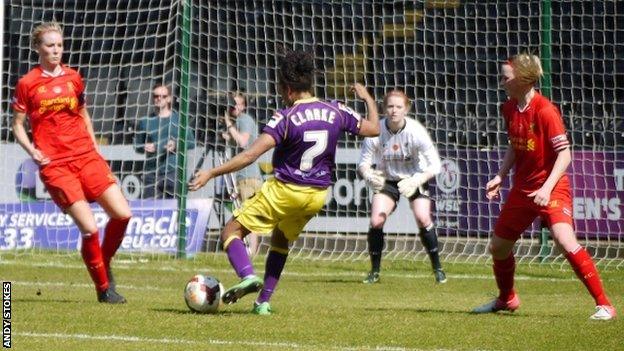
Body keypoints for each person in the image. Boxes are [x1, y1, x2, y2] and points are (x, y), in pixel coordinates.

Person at [189, 49, 380, 315]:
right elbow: (375, 128)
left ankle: (247, 275)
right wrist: (367, 97)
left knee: (230, 231)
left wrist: (211, 172)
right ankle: (263, 302)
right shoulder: (335, 110)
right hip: (317, 196)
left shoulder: (286, 117)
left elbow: (250, 155)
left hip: (286, 190)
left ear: (288, 89)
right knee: (280, 239)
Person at [472, 53, 616, 320]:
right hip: (523, 189)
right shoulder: (509, 108)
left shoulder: (546, 110)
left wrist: (546, 189)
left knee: (564, 240)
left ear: (524, 80)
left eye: (506, 77)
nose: (501, 82)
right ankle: (507, 299)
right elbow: (515, 146)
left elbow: (565, 155)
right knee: (498, 247)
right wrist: (501, 175)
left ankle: (605, 304)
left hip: (552, 188)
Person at [11, 22, 131, 303]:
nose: (56, 50)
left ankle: (103, 260)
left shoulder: (74, 78)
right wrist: (33, 151)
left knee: (123, 214)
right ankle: (104, 290)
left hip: (86, 156)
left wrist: (94, 148)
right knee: (89, 228)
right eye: (50, 45)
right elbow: (17, 125)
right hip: (56, 165)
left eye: (59, 45)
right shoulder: (27, 83)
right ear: (38, 48)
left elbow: (84, 114)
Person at [359, 89, 446, 284]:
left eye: (399, 107)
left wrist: (417, 180)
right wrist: (368, 175)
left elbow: (436, 165)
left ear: (406, 109)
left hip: (415, 177)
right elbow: (363, 163)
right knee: (376, 221)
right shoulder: (375, 130)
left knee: (423, 218)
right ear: (384, 108)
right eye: (390, 106)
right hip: (388, 179)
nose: (394, 111)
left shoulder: (416, 131)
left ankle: (438, 268)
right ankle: (374, 271)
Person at [134, 84, 196, 198]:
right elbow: (137, 145)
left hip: (173, 171)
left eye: (163, 96)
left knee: (175, 208)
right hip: (152, 173)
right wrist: (145, 146)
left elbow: (192, 143)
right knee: (150, 210)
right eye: (156, 96)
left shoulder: (179, 119)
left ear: (169, 98)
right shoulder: (145, 121)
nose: (159, 99)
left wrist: (176, 144)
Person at [221, 92, 262, 256]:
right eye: (231, 104)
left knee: (250, 216)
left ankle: (252, 252)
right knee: (244, 215)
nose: (233, 107)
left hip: (249, 177)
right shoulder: (238, 121)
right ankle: (248, 250)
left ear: (243, 106)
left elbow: (243, 142)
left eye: (236, 104)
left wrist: (228, 124)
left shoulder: (244, 119)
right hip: (241, 176)